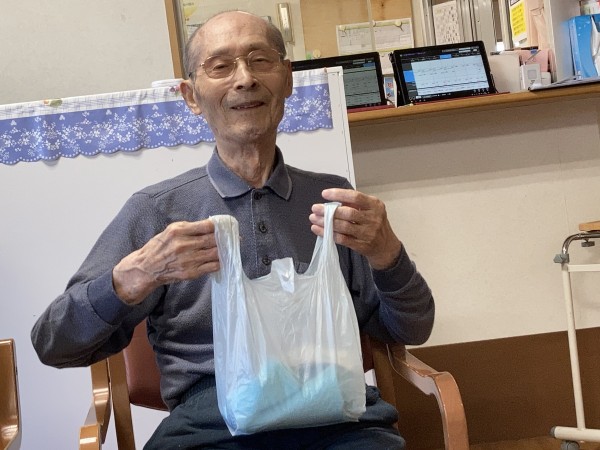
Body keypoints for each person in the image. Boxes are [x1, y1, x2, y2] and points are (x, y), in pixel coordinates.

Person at [31, 10, 434, 450]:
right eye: (220, 66)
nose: (245, 79)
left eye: (260, 60)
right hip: (209, 429)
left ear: (287, 79)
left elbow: (412, 328)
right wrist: (131, 278)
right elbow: (53, 343)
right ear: (191, 95)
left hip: (339, 421)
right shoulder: (159, 211)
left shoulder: (332, 201)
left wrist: (388, 254)